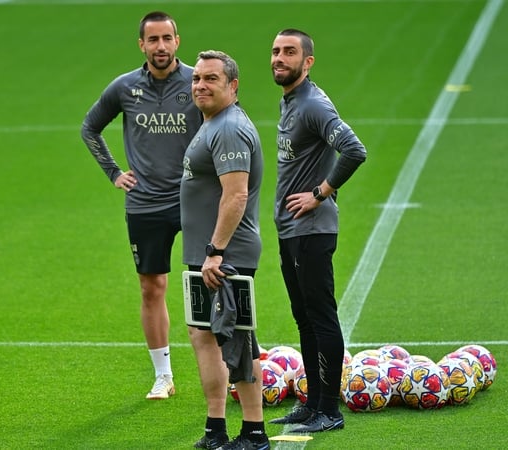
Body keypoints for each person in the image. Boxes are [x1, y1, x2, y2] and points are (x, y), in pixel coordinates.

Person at [81, 11, 202, 399]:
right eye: (153, 40)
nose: (161, 47)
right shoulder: (125, 87)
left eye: (167, 38)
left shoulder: (197, 82)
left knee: (211, 283)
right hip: (146, 204)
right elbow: (90, 127)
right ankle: (163, 375)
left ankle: (227, 368)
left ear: (177, 41)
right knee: (153, 287)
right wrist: (115, 173)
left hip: (194, 200)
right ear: (142, 45)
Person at [268, 29, 367, 433]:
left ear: (307, 62)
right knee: (304, 319)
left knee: (321, 317)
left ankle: (330, 409)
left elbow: (355, 150)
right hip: (292, 231)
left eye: (289, 52)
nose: (279, 58)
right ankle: (313, 404)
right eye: (275, 51)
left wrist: (320, 193)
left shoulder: (312, 104)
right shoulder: (290, 101)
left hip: (311, 230)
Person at [182, 50, 269, 450]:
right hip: (207, 254)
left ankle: (254, 432)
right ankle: (216, 428)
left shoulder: (229, 128)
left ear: (232, 86)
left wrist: (216, 251)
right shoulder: (214, 123)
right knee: (205, 336)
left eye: (211, 79)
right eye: (197, 78)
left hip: (224, 255)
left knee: (237, 339)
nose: (200, 85)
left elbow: (236, 196)